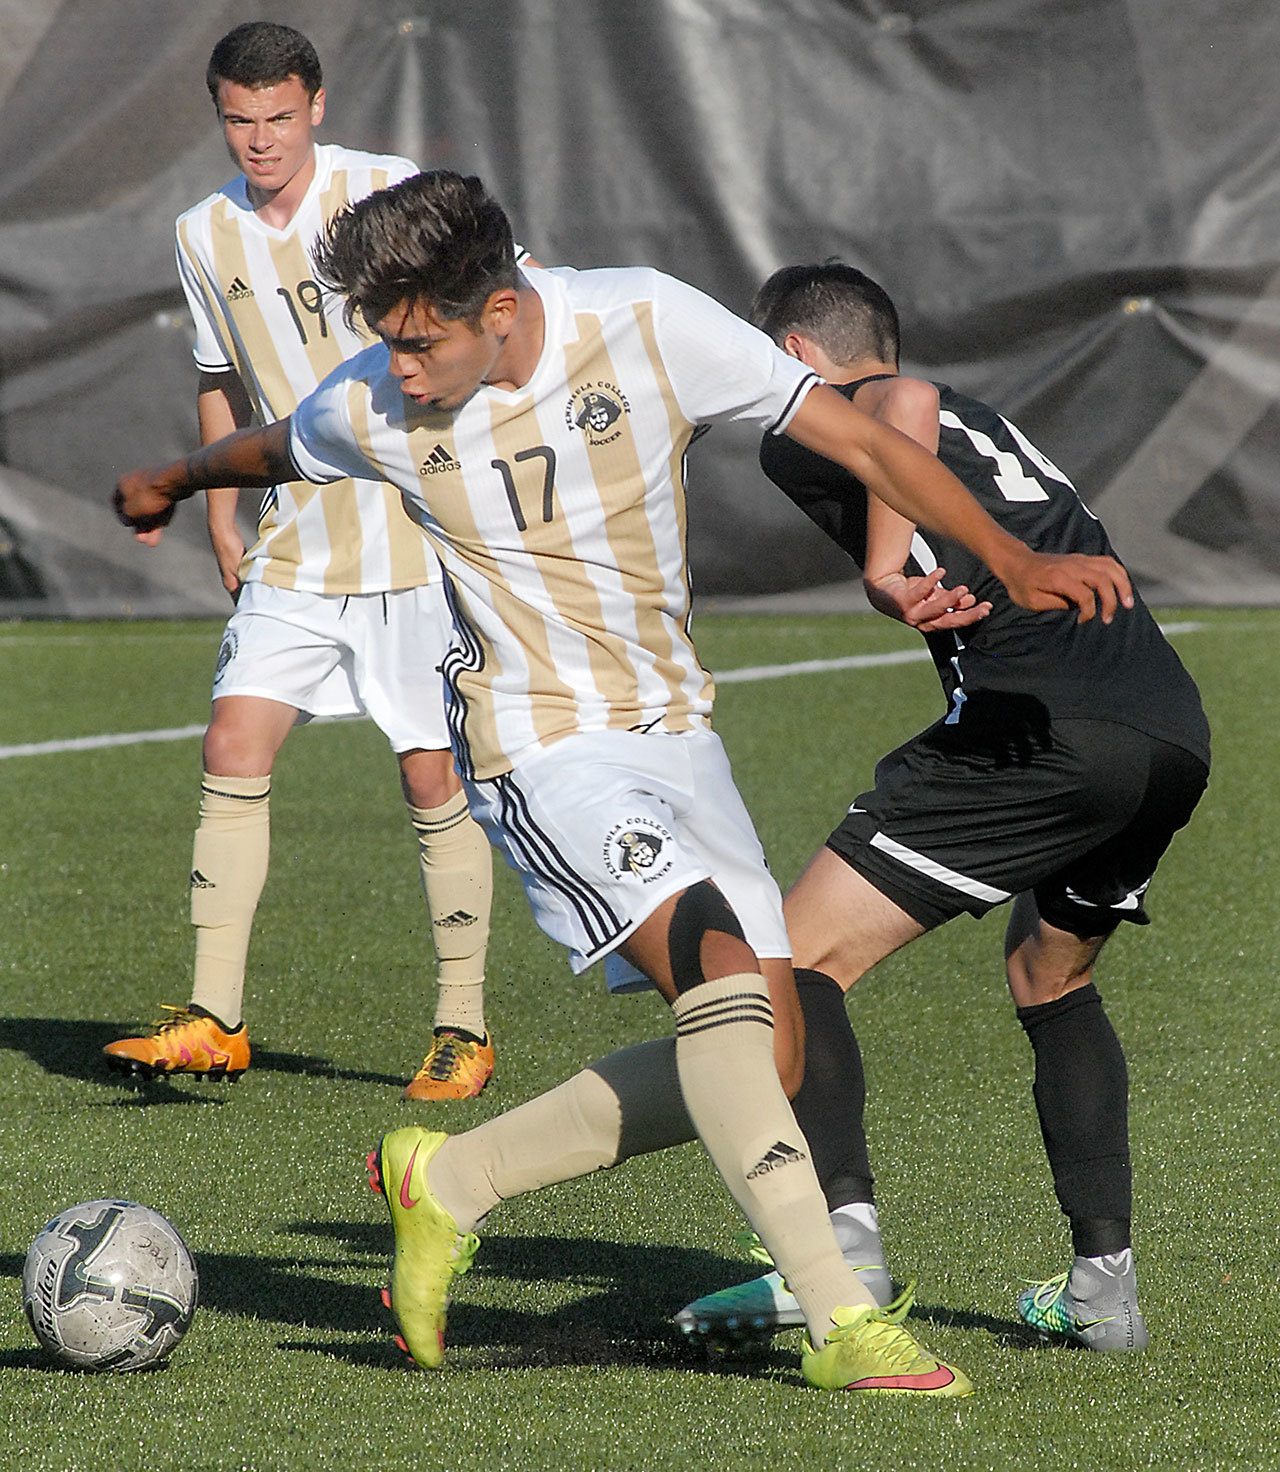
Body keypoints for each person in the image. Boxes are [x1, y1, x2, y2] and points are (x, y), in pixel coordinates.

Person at [112, 171, 1133, 1394]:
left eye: (418, 337)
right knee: (714, 973)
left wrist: (1010, 555)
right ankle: (841, 1319)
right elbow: (277, 442)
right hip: (538, 746)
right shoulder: (379, 401)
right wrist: (172, 480)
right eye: (381, 336)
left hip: (679, 735)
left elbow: (856, 432)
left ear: (501, 304)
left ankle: (451, 1178)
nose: (397, 364)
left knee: (775, 1050)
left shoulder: (643, 321)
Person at [674, 262, 1210, 1353]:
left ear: (793, 359)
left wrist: (881, 568)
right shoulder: (984, 426)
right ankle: (1104, 1289)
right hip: (1164, 733)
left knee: (795, 958)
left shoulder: (834, 416)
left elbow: (895, 404)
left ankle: (836, 1254)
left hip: (1043, 727)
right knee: (1046, 974)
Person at [104, 23, 523, 1100]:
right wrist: (218, 514)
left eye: (278, 116)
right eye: (239, 120)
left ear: (317, 106)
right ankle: (215, 1014)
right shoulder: (203, 232)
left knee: (430, 773)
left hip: (413, 538)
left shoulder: (389, 195)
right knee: (233, 738)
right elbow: (219, 377)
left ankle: (461, 1026)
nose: (260, 140)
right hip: (296, 537)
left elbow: (492, 322)